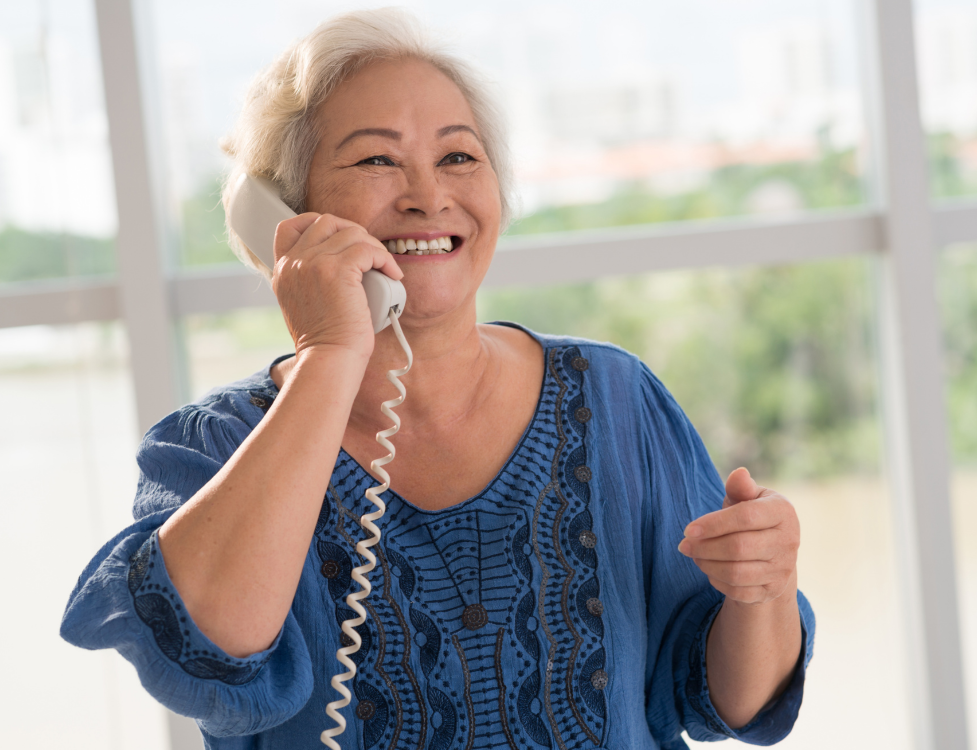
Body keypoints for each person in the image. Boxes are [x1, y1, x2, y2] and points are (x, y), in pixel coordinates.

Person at [61, 8, 814, 749]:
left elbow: (730, 705)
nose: (428, 195)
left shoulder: (614, 396)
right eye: (376, 160)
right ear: (286, 216)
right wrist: (331, 351)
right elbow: (212, 653)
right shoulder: (212, 447)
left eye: (458, 157)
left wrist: (764, 590)